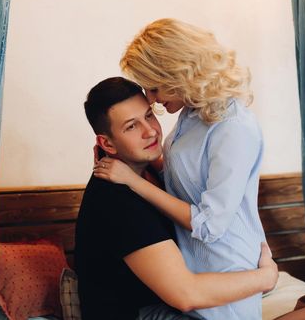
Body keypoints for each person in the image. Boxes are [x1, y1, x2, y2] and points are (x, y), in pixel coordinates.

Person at [93, 18, 267, 319]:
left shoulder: (233, 128)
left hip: (225, 262)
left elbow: (210, 225)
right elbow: (185, 177)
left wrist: (133, 181)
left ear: (178, 75)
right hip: (193, 263)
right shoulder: (192, 112)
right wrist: (130, 161)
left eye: (154, 87)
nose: (152, 98)